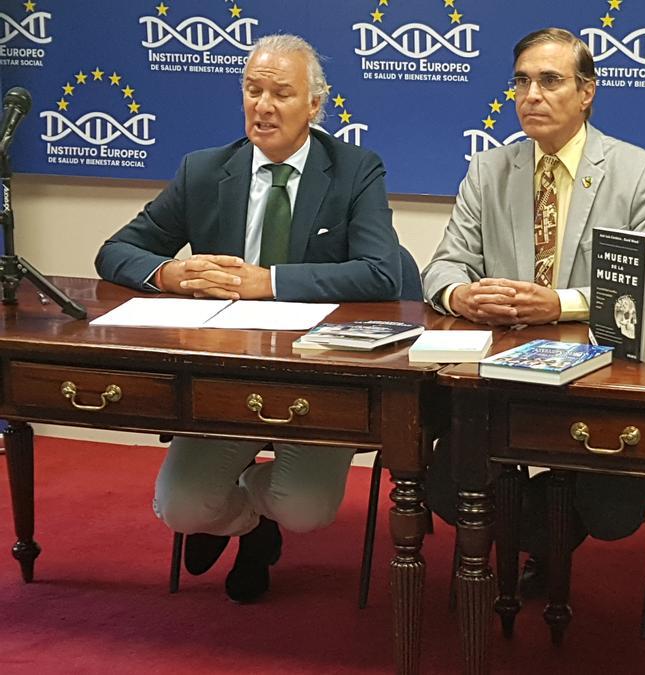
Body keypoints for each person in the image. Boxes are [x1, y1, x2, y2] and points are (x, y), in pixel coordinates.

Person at [95, 34, 403, 603]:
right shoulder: (207, 171)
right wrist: (169, 274)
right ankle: (247, 525)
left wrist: (272, 281)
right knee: (181, 507)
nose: (262, 105)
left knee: (305, 510)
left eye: (280, 93)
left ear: (314, 106)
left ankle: (262, 515)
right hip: (227, 377)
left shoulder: (355, 169)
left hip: (320, 375)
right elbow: (115, 252)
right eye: (252, 90)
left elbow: (383, 274)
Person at [422, 27, 645, 594]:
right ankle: (533, 536)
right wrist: (458, 295)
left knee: (610, 513)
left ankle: (542, 534)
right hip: (499, 378)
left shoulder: (639, 173)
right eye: (521, 81)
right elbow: (442, 266)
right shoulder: (489, 171)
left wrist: (561, 304)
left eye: (549, 81)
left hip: (600, 378)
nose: (531, 95)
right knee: (444, 487)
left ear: (586, 93)